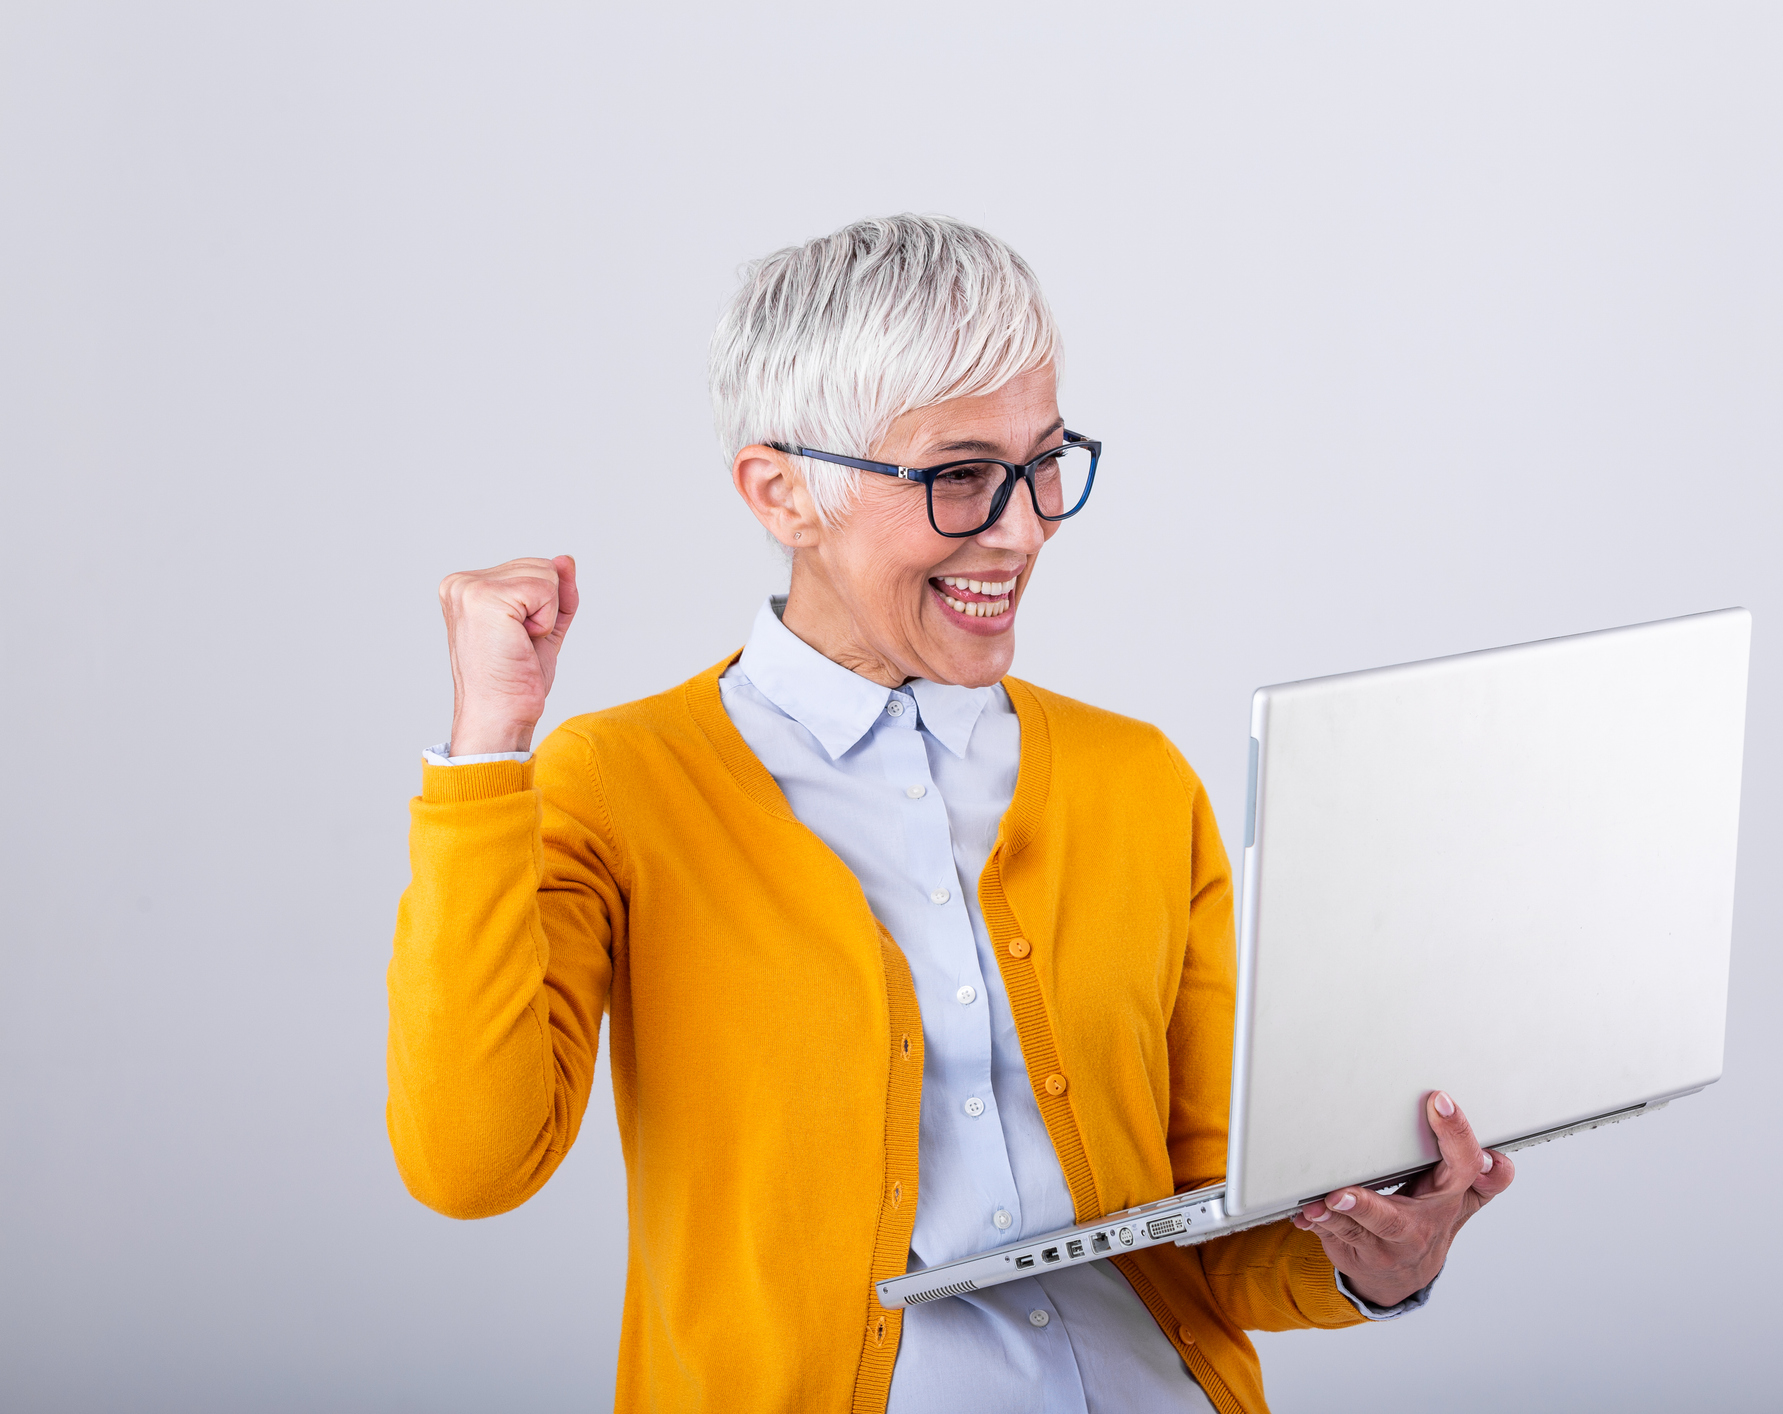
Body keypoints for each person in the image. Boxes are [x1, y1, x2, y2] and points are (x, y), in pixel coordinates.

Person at [387, 214, 1514, 1413]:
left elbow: (1210, 1222)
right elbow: (472, 1161)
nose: (1025, 527)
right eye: (960, 476)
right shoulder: (618, 781)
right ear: (782, 492)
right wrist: (484, 755)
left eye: (1042, 462)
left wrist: (1374, 1260)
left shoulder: (1136, 779)